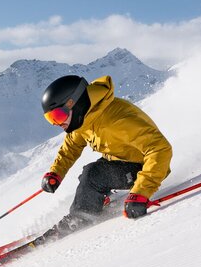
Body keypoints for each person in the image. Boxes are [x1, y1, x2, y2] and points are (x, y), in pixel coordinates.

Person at [37, 74, 172, 239]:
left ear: (74, 103)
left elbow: (160, 149)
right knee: (90, 174)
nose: (58, 123)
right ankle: (95, 203)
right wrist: (56, 172)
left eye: (58, 115)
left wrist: (141, 193)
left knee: (93, 175)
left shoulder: (116, 121)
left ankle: (80, 218)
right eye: (50, 119)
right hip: (118, 160)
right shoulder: (84, 118)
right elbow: (71, 146)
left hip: (147, 167)